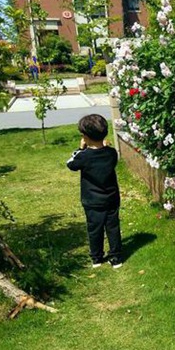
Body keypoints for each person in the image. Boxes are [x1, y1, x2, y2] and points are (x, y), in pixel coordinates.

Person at [67, 114, 122, 268]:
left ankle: (97, 258)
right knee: (113, 227)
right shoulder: (111, 153)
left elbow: (70, 164)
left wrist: (80, 148)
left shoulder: (83, 157)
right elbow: (106, 153)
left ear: (85, 137)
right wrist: (104, 146)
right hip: (111, 198)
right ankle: (116, 258)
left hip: (92, 201)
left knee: (94, 228)